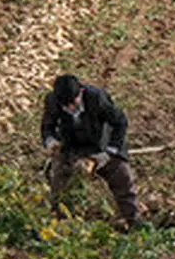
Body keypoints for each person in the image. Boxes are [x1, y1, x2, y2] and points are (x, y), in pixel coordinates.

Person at [40, 74, 139, 227]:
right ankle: (61, 222)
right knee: (60, 181)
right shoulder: (52, 101)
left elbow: (120, 122)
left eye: (73, 103)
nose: (71, 108)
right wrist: (51, 141)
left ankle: (133, 220)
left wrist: (109, 152)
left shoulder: (97, 98)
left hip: (101, 146)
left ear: (81, 92)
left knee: (122, 177)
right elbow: (47, 126)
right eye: (66, 106)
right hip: (71, 147)